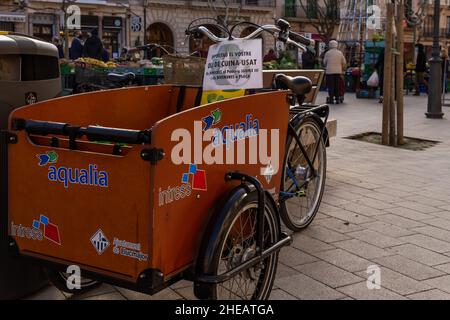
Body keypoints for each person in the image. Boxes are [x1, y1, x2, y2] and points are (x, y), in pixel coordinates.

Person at [323, 40, 347, 104]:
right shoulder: (340, 53)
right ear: (336, 45)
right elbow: (344, 62)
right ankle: (337, 99)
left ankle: (331, 99)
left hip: (329, 72)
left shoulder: (327, 53)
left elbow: (324, 62)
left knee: (331, 86)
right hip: (338, 72)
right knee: (337, 85)